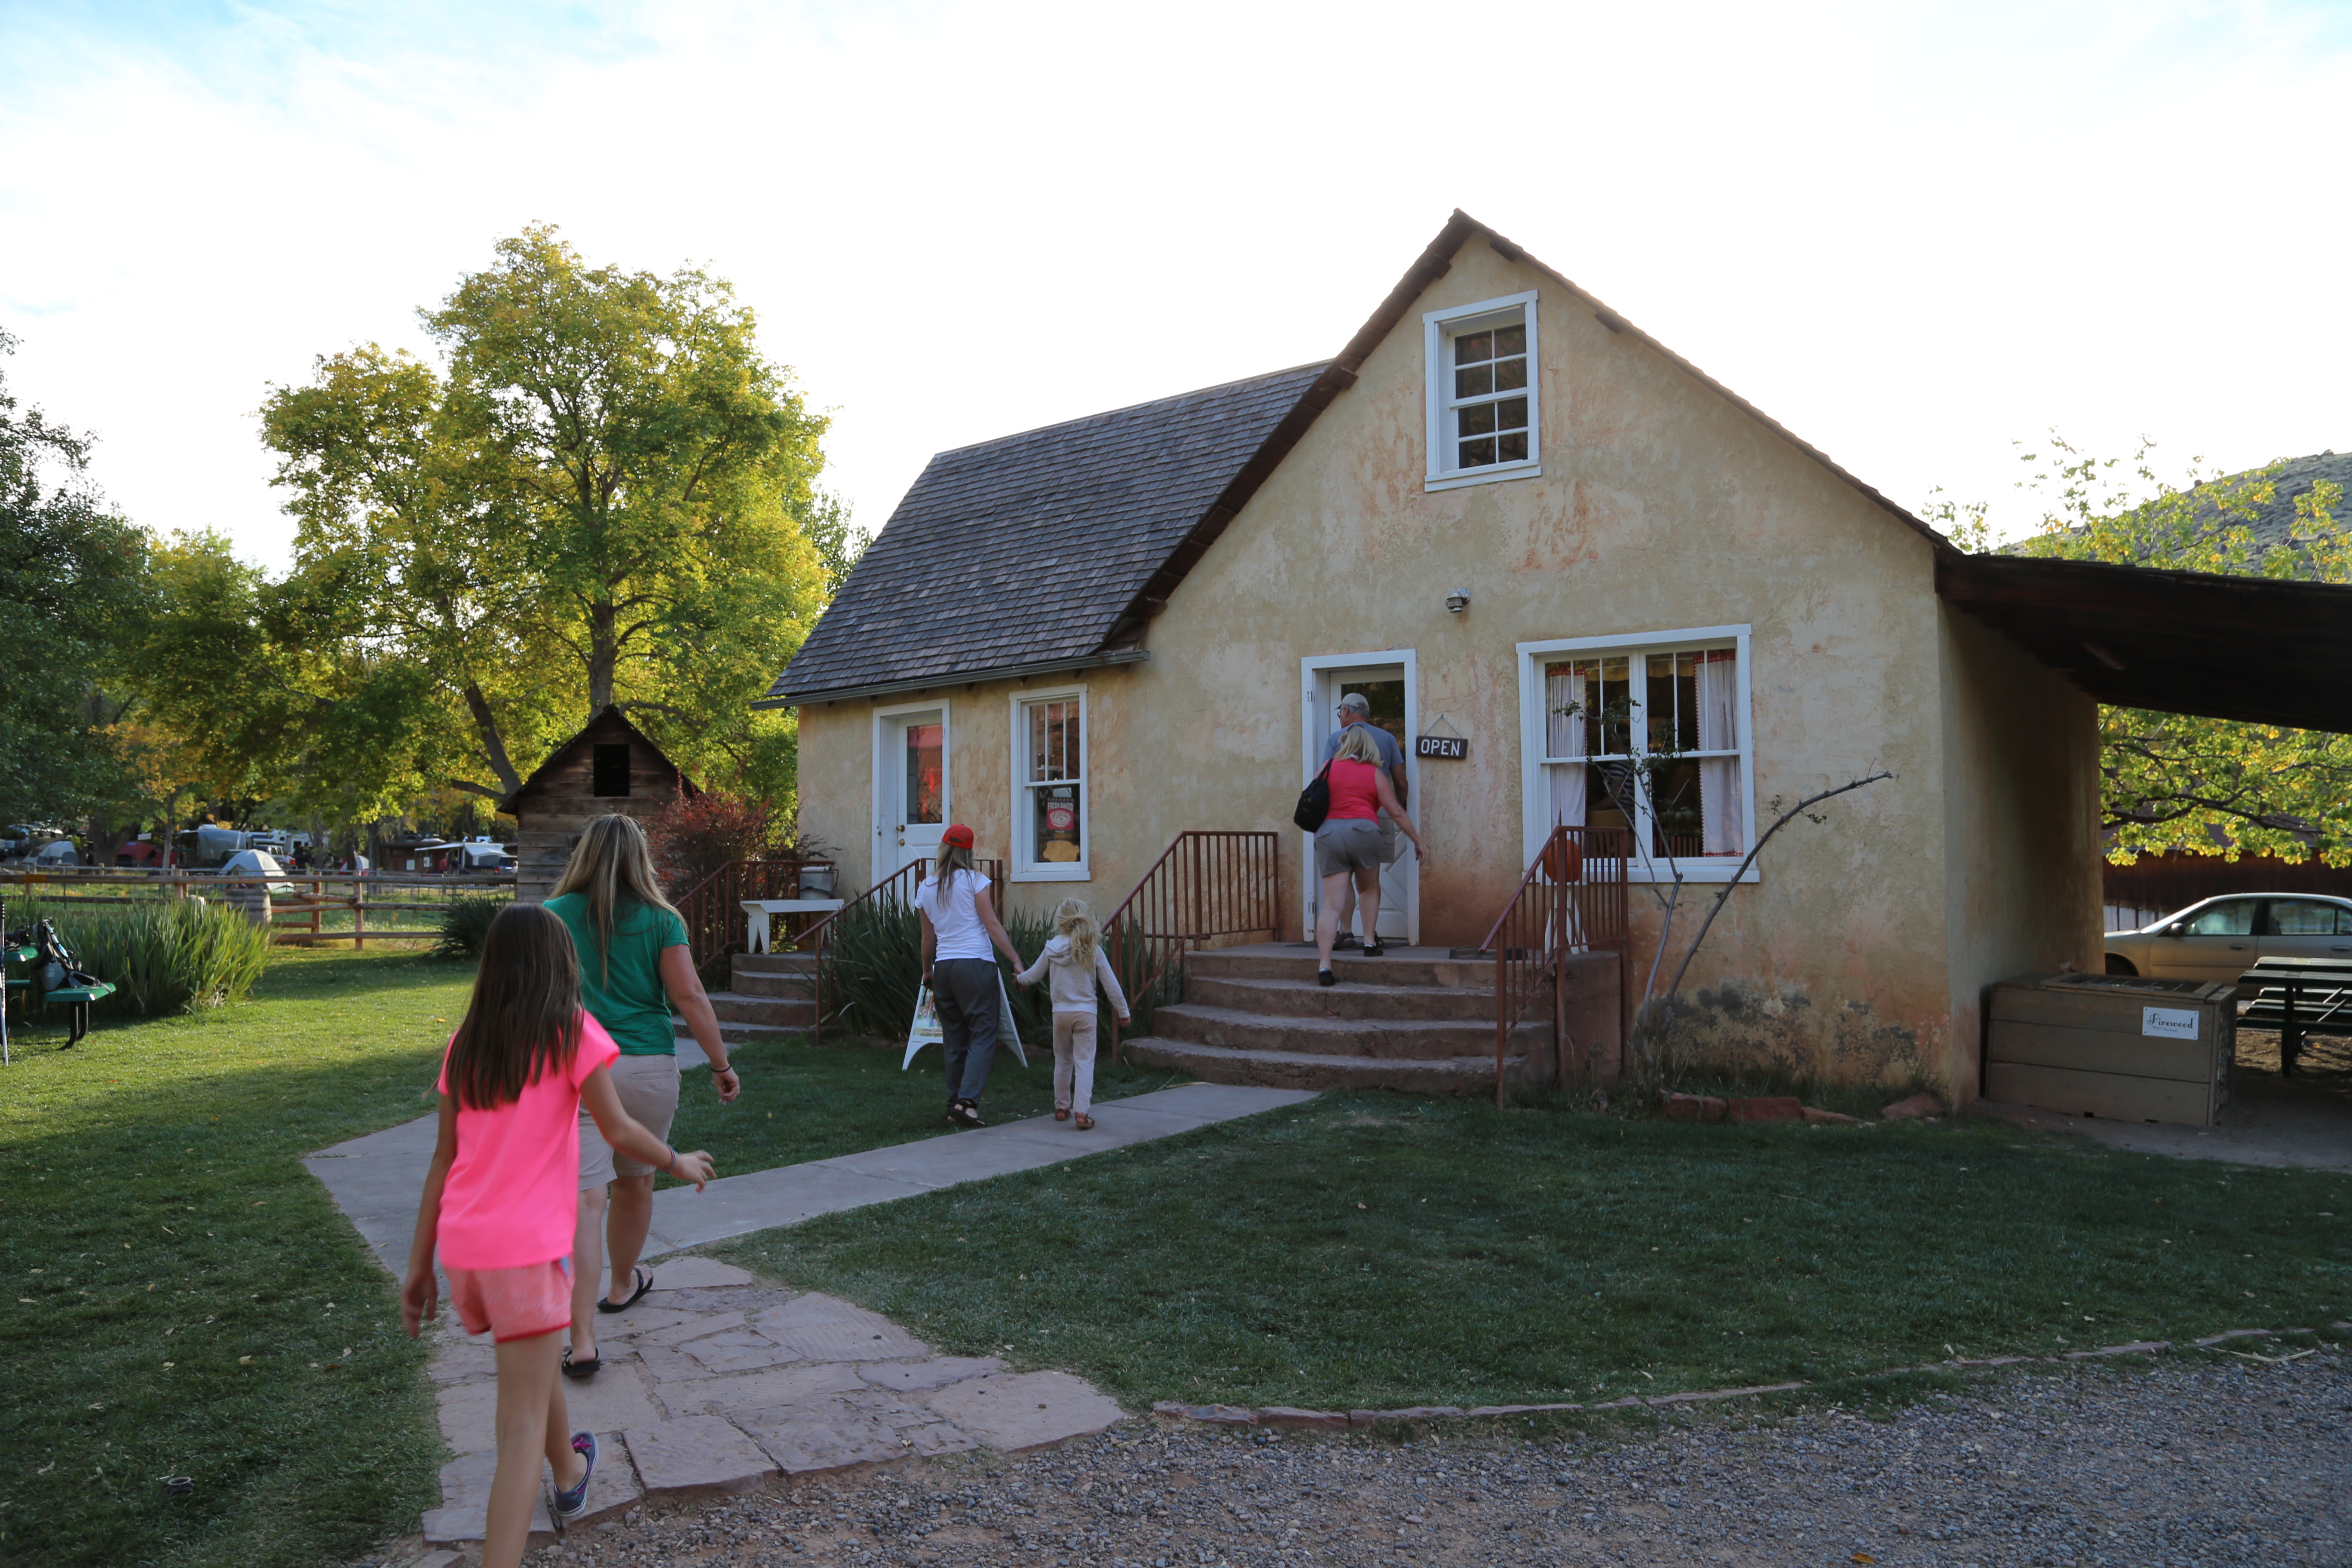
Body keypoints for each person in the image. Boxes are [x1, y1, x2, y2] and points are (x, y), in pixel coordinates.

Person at [399, 904, 714, 1568]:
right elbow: (621, 1129)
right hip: (525, 1253)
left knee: (528, 1364)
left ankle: (570, 1474)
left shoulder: (467, 1042)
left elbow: (441, 1159)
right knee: (515, 1430)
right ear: (560, 964)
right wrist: (676, 1162)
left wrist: (419, 1265)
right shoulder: (572, 1031)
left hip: (467, 1252)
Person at [544, 815, 737, 1379]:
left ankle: (581, 1338)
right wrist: (721, 1065)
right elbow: (691, 996)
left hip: (574, 1066)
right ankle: (623, 1283)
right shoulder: (662, 919)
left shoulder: (552, 918)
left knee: (586, 1199)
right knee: (637, 1182)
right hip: (646, 1066)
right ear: (641, 858)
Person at [916, 824, 1025, 1128]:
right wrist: (1016, 960)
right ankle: (967, 1103)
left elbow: (927, 940)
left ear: (942, 848)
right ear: (969, 851)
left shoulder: (926, 887)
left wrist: (928, 972)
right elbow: (991, 925)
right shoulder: (975, 880)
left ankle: (954, 1103)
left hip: (945, 969)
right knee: (983, 1031)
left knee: (954, 1039)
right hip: (976, 964)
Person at [1314, 725, 1427, 984]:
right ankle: (1368, 942)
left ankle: (1324, 966)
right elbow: (1397, 812)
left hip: (1329, 834)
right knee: (1369, 889)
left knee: (1331, 905)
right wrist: (1418, 841)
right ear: (1369, 747)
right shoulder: (1374, 774)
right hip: (1364, 832)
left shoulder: (1327, 768)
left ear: (1344, 745)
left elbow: (1312, 799)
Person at [1015, 897, 1131, 1130]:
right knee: (1085, 1062)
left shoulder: (1052, 947)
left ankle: (1061, 1107)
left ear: (1061, 921)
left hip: (1061, 1014)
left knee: (1063, 1060)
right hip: (1086, 1013)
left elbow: (1033, 975)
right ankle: (1082, 1112)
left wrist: (1020, 980)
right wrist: (1123, 1011)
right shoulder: (1092, 948)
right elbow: (1111, 985)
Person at [1321, 692, 1409, 949]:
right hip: (1376, 811)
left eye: (1340, 714)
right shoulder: (1388, 739)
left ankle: (1346, 931)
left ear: (1347, 712)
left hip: (1338, 816)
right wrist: (1398, 808)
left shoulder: (1336, 739)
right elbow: (1401, 782)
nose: (1340, 719)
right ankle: (1370, 936)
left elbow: (1326, 779)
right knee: (1371, 880)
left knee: (1343, 875)